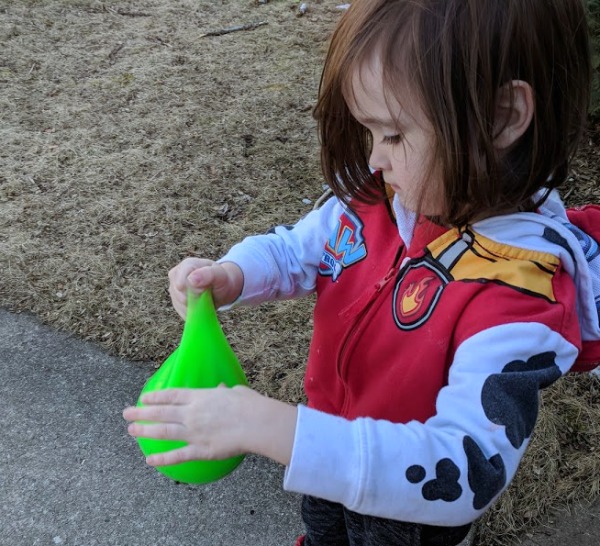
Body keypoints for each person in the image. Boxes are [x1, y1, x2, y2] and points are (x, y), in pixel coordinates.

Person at [123, 0, 600, 544]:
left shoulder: (520, 291)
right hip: (330, 444)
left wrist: (273, 428)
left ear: (501, 117)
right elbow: (293, 252)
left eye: (394, 134)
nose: (375, 159)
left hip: (410, 509)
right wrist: (231, 275)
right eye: (368, 130)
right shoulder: (379, 199)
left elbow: (465, 469)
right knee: (324, 529)